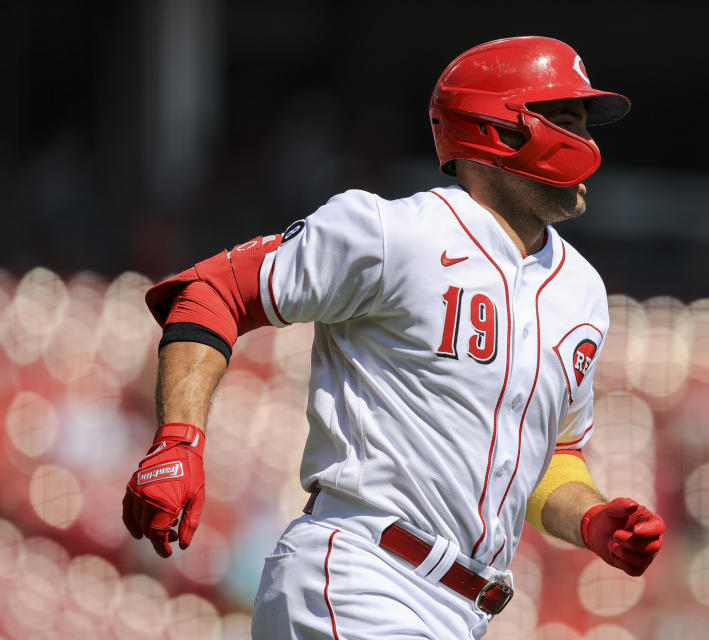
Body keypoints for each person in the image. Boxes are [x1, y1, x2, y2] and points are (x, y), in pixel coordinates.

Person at [121, 35, 665, 639]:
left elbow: (550, 458)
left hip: (461, 611)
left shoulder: (583, 292)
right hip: (361, 573)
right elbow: (213, 291)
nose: (587, 143)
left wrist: (590, 519)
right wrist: (179, 440)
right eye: (565, 120)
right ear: (499, 129)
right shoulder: (392, 232)